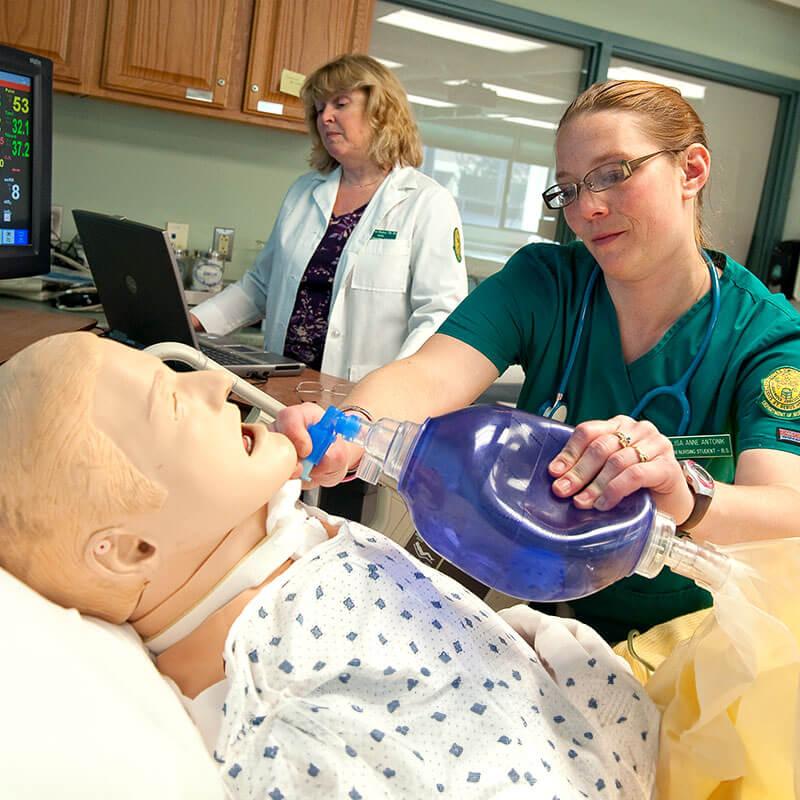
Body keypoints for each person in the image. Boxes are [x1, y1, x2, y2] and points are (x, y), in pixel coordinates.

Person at [0, 333, 658, 798]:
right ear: (134, 551)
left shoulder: (260, 538)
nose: (208, 381)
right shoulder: (269, 703)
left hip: (581, 719)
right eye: (172, 403)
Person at [276, 79, 800, 644]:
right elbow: (429, 374)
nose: (589, 209)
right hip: (547, 603)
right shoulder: (545, 282)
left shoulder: (766, 337)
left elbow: (785, 509)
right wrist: (350, 427)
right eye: (569, 189)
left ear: (691, 171)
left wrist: (685, 496)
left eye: (614, 173)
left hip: (688, 630)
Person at [190, 54, 468, 382]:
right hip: (281, 386)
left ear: (382, 110)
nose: (326, 117)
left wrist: (394, 387)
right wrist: (192, 321)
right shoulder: (304, 191)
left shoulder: (426, 202)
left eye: (340, 103)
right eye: (320, 108)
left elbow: (438, 316)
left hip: (362, 401)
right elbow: (260, 285)